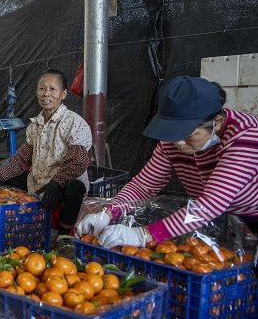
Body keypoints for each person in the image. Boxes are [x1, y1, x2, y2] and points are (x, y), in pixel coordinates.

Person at [77, 76, 258, 248]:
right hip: (211, 219)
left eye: (188, 135)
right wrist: (108, 212)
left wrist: (144, 235)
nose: (178, 143)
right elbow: (144, 185)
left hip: (250, 218)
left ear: (216, 122)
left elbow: (210, 204)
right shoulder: (173, 140)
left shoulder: (245, 137)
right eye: (173, 133)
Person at [0, 70, 92, 232]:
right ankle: (6, 222)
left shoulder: (74, 123)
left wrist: (56, 183)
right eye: (42, 89)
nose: (46, 94)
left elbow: (78, 161)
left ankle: (65, 233)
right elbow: (20, 160)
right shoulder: (35, 125)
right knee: (1, 180)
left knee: (76, 187)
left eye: (52, 89)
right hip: (39, 181)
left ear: (64, 94)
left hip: (62, 184)